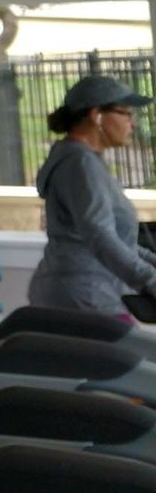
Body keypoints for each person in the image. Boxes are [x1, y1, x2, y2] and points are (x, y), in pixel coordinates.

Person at [29, 74, 156, 314]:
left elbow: (120, 241)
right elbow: (100, 236)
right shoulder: (80, 164)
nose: (133, 124)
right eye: (126, 114)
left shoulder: (82, 161)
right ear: (96, 115)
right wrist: (150, 280)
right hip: (83, 295)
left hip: (84, 291)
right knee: (133, 340)